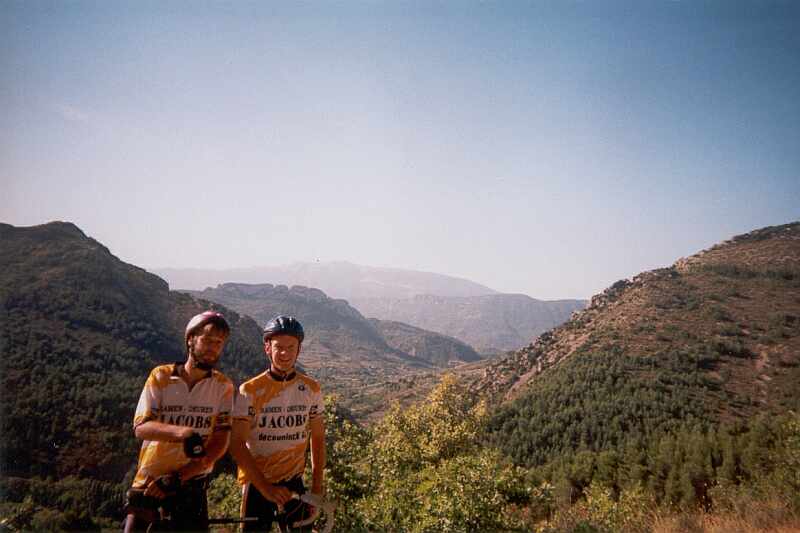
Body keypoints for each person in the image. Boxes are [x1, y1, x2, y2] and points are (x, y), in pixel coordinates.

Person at [123, 311, 235, 532]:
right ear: (190, 339)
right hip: (150, 482)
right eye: (207, 339)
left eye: (219, 342)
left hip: (191, 484)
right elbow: (141, 427)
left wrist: (181, 476)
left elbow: (220, 441)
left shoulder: (224, 386)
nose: (214, 347)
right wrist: (182, 433)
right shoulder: (161, 376)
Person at [230, 315, 326, 532]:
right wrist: (266, 489)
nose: (284, 353)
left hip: (294, 483)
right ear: (267, 348)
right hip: (257, 483)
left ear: (299, 350)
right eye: (278, 347)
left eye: (291, 347)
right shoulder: (249, 390)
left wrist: (317, 487)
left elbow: (318, 438)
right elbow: (236, 444)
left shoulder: (312, 388)